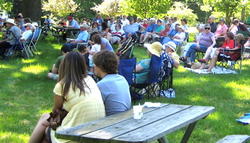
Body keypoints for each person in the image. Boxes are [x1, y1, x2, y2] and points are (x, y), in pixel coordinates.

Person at [29, 51, 105, 143]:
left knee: (44, 122)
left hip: (74, 133)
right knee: (46, 124)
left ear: (64, 65)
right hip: (95, 129)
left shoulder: (62, 85)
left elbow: (56, 111)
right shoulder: (90, 80)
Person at [93, 50, 131, 116]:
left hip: (111, 121)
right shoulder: (122, 79)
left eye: (95, 64)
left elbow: (94, 109)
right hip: (126, 117)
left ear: (100, 66)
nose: (94, 67)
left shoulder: (101, 85)